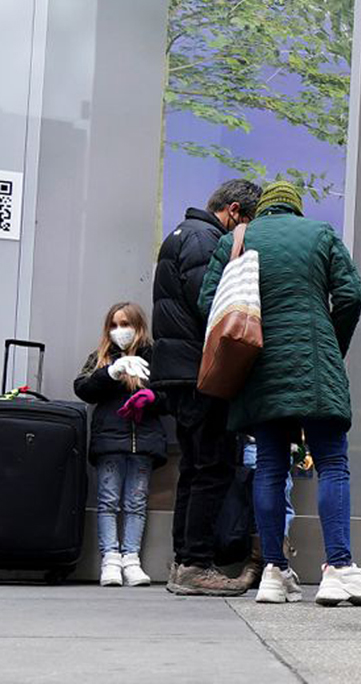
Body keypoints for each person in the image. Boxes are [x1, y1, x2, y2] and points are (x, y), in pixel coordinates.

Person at [199, 181, 361, 606]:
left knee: (270, 466)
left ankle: (274, 570)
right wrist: (330, 340)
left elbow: (207, 302)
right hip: (314, 363)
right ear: (296, 209)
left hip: (259, 367)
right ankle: (339, 568)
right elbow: (351, 295)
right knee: (332, 464)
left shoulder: (238, 239)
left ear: (262, 208)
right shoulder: (319, 234)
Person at [153, 179, 260, 596]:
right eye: (247, 223)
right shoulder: (204, 240)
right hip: (199, 371)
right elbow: (211, 302)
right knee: (212, 468)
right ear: (234, 211)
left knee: (195, 468)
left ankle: (183, 562)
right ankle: (195, 564)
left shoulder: (182, 233)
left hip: (178, 372)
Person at [74, 302, 167, 587]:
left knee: (136, 503)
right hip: (110, 442)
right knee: (108, 501)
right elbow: (83, 388)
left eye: (125, 324)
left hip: (145, 443)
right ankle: (110, 559)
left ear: (138, 326)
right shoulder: (101, 357)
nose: (119, 331)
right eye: (114, 325)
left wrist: (150, 398)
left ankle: (132, 559)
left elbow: (170, 396)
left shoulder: (154, 357)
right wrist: (111, 371)